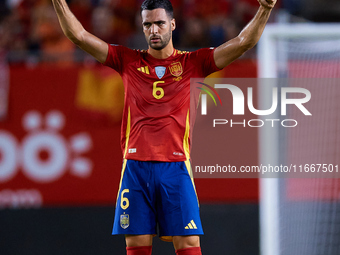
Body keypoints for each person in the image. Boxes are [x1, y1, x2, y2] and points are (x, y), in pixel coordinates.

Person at [51, 0, 276, 254]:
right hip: (136, 167)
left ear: (172, 24)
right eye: (147, 24)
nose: (154, 30)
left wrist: (265, 9)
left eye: (159, 23)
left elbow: (243, 42)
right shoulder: (126, 60)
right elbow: (78, 35)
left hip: (176, 167)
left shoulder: (194, 62)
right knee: (135, 246)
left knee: (189, 244)